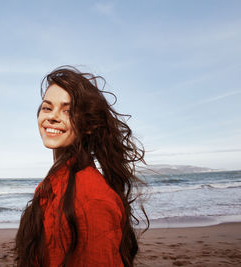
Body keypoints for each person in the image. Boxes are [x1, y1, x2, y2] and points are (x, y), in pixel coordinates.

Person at [15, 66, 148, 267]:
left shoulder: (93, 196)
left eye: (68, 110)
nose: (52, 116)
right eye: (47, 107)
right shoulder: (53, 183)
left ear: (89, 125)